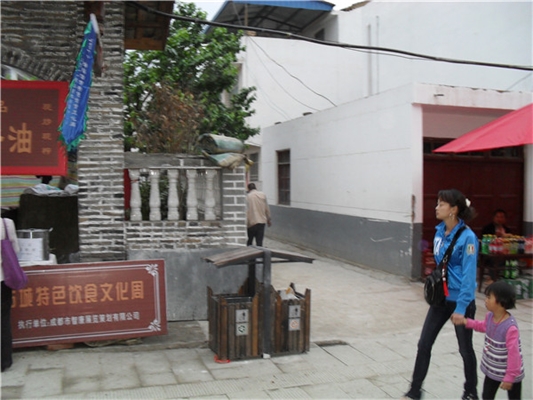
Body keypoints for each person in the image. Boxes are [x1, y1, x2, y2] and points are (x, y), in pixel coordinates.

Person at [404, 189, 479, 400]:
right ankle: (415, 391)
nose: (436, 208)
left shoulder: (468, 238)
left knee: (465, 349)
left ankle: (471, 392)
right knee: (424, 344)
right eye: (437, 203)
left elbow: (468, 276)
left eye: (441, 204)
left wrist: (461, 308)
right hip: (440, 300)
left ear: (453, 209)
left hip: (460, 302)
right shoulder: (439, 232)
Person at [454, 281, 525, 400]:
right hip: (493, 370)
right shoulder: (490, 316)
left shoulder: (510, 328)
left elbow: (514, 354)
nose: (485, 300)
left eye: (489, 297)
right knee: (487, 396)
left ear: (501, 301)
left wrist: (510, 377)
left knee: (514, 397)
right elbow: (483, 326)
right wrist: (466, 322)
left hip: (511, 373)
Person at [1, 217, 19, 372]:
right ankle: (4, 360)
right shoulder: (6, 223)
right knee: (3, 319)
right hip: (3, 279)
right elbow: (16, 250)